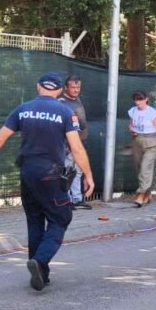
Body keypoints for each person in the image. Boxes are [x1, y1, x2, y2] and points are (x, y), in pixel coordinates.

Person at [0, 73, 94, 291]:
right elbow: (77, 148)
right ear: (59, 91)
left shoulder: (23, 109)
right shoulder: (65, 112)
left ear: (38, 87)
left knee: (35, 220)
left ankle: (42, 274)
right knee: (61, 218)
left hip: (28, 172)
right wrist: (88, 175)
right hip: (51, 174)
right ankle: (40, 262)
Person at [128, 90, 156, 206]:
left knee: (145, 168)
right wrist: (131, 130)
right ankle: (148, 193)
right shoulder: (132, 111)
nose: (138, 102)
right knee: (140, 169)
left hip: (151, 142)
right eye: (136, 100)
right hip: (137, 141)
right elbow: (130, 125)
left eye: (140, 99)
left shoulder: (152, 113)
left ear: (146, 99)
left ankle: (140, 194)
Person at [58, 75, 91, 210]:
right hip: (68, 143)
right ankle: (66, 200)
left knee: (78, 171)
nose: (76, 90)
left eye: (78, 87)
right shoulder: (61, 102)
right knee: (67, 171)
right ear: (66, 87)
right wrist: (68, 144)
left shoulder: (77, 99)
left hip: (80, 141)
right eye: (73, 87)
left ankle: (77, 199)